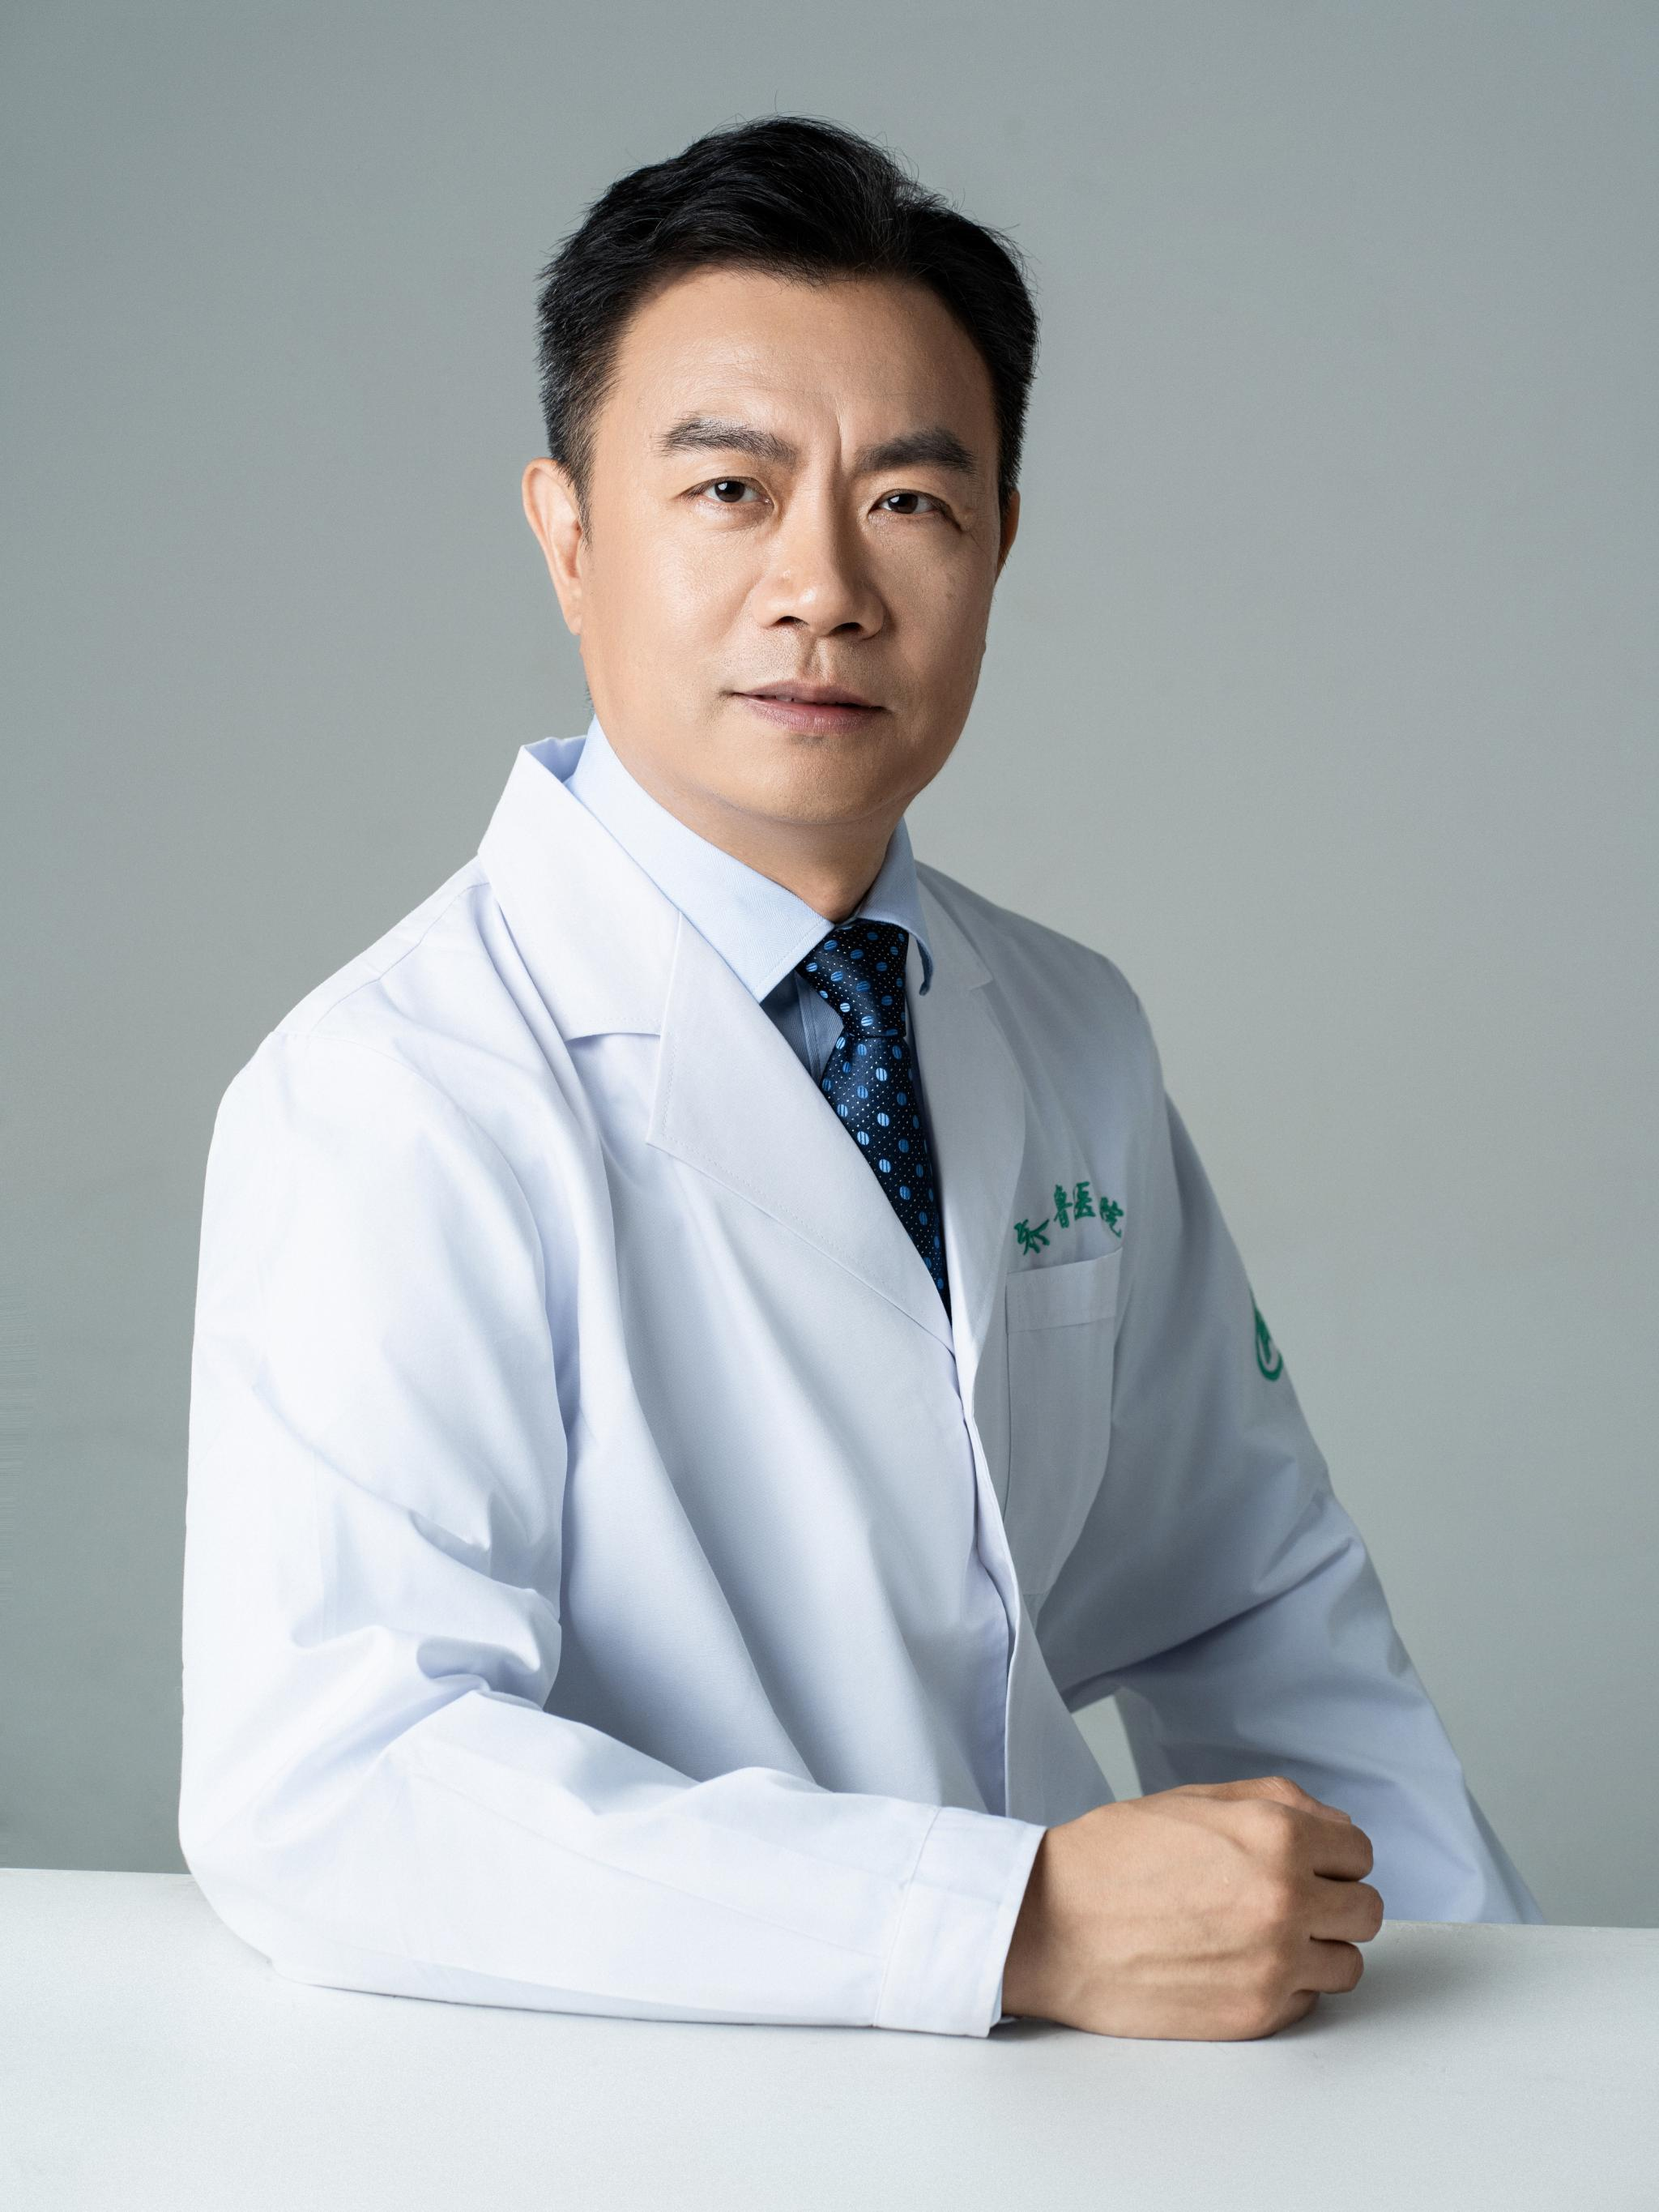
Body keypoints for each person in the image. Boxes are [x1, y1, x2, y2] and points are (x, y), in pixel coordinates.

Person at [179, 113, 1540, 2046]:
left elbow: (1245, 1601)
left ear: (997, 547)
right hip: (604, 2116)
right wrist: (1009, 1925)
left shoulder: (1062, 1024)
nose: (822, 587)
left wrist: (1512, 2037)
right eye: (729, 489)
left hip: (1058, 2115)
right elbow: (338, 1786)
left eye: (908, 500)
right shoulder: (394, 1092)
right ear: (570, 538)